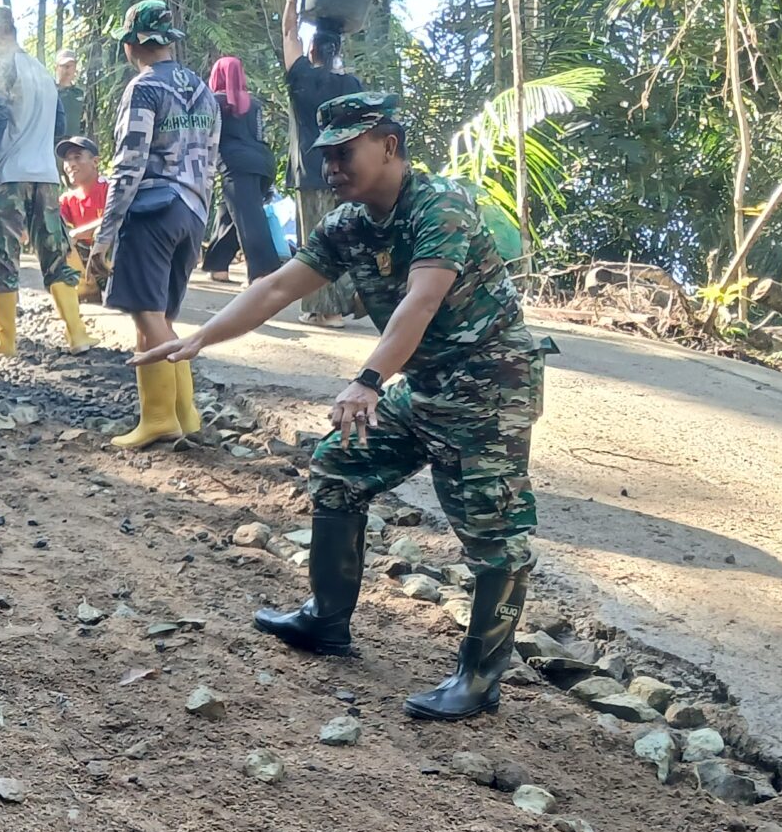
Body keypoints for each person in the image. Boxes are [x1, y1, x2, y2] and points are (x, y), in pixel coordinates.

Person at [135, 93, 552, 721]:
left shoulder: (440, 208)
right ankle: (327, 620)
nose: (330, 165)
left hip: (491, 384)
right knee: (339, 465)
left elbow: (421, 302)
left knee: (493, 529)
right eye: (324, 154)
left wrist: (367, 380)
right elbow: (277, 286)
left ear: (388, 146)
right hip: (427, 381)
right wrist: (199, 337)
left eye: (344, 151)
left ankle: (481, 675)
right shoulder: (347, 223)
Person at [88, 0, 217, 448]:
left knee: (147, 313)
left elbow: (130, 162)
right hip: (193, 209)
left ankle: (163, 418)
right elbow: (210, 159)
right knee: (159, 317)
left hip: (153, 210)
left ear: (133, 44)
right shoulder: (202, 89)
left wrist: (105, 233)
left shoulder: (143, 88)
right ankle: (185, 416)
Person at [0, 3, 89, 355]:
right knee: (55, 250)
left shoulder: (0, 67)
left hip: (9, 175)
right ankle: (76, 334)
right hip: (45, 176)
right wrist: (40, 152)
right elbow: (60, 123)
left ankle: (4, 340)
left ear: (1, 32)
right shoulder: (40, 71)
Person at [282, 0, 366, 326]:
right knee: (343, 237)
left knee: (315, 242)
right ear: (338, 51)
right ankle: (345, 300)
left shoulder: (302, 77)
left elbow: (289, 34)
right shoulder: (352, 85)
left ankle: (325, 310)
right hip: (348, 172)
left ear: (312, 50)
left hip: (312, 170)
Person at [201, 55, 280, 283]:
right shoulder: (254, 104)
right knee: (229, 211)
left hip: (236, 165)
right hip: (263, 162)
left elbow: (209, 137)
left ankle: (263, 273)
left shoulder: (212, 101)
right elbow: (259, 135)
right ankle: (218, 266)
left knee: (249, 218)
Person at [56, 134, 111, 304]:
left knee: (105, 230)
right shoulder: (67, 199)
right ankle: (86, 289)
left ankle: (119, 288)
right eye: (67, 159)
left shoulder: (111, 189)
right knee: (56, 233)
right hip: (86, 261)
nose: (71, 164)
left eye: (77, 157)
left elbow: (116, 218)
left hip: (113, 259)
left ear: (95, 162)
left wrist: (77, 233)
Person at [53, 51, 86, 141]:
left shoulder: (80, 94)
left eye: (71, 66)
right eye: (64, 66)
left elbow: (84, 121)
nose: (68, 69)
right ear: (56, 68)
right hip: (53, 143)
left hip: (75, 144)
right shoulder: (50, 92)